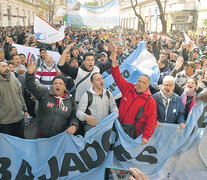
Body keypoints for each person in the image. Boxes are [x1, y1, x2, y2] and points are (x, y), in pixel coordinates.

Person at [25, 59, 79, 138]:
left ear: (64, 87)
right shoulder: (44, 93)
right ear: (52, 85)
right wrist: (30, 74)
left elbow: (75, 116)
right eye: (55, 83)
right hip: (40, 136)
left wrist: (74, 125)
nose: (57, 85)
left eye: (60, 84)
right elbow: (31, 86)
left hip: (58, 139)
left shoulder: (70, 101)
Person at [111, 53, 157, 145]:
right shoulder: (128, 88)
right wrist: (115, 67)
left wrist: (146, 136)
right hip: (119, 127)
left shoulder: (150, 100)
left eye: (143, 83)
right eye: (139, 81)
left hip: (133, 133)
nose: (140, 84)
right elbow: (118, 78)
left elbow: (151, 120)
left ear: (148, 86)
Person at [0, 61, 27, 138]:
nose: (7, 68)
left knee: (21, 142)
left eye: (7, 66)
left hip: (19, 119)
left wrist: (24, 110)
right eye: (3, 66)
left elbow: (20, 96)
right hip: (5, 122)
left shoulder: (14, 80)